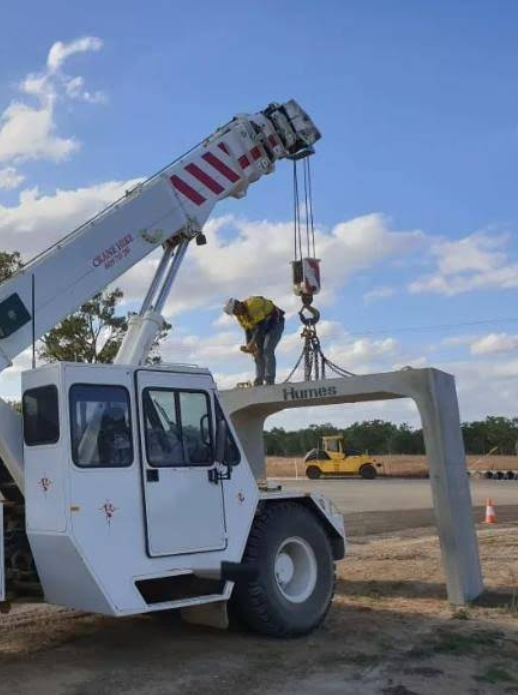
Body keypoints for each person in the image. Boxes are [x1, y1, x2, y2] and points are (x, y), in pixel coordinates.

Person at [224, 296, 285, 386]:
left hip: (275, 323)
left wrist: (252, 344)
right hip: (261, 327)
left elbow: (261, 326)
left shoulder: (253, 305)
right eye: (233, 313)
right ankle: (259, 378)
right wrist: (250, 347)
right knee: (258, 352)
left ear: (238, 305)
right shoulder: (240, 316)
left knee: (267, 349)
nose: (235, 314)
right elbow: (248, 330)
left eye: (235, 311)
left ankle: (269, 379)